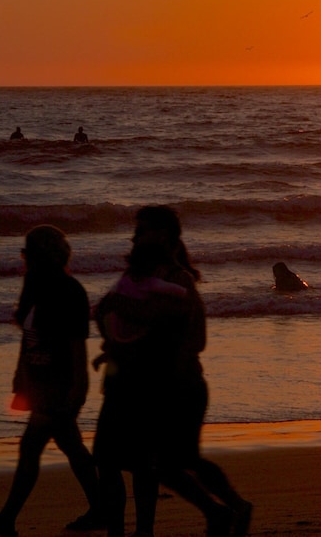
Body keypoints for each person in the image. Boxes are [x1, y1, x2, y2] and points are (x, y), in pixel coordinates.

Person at [93, 206, 252, 537]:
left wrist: (117, 312)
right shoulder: (140, 276)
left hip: (167, 384)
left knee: (162, 463)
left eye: (141, 231)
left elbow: (163, 322)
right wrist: (113, 340)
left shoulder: (178, 281)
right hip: (131, 380)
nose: (134, 238)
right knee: (123, 460)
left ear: (162, 236)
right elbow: (112, 316)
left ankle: (217, 512)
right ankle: (223, 510)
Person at [0, 225, 102, 537]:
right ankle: (101, 508)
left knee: (34, 448)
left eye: (29, 251)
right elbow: (29, 335)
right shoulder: (34, 285)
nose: (24, 257)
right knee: (70, 446)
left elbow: (77, 345)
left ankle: (7, 520)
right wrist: (20, 373)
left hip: (59, 384)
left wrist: (79, 388)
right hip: (39, 382)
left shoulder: (70, 290)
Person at [92, 242, 188, 371]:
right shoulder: (152, 282)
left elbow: (102, 309)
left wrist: (110, 340)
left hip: (127, 349)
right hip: (137, 353)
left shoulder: (128, 281)